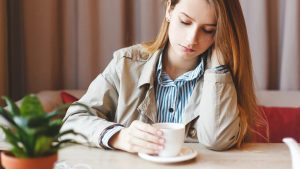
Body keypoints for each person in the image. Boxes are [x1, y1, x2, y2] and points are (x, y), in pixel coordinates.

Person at [61, 0, 265, 154]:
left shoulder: (222, 78)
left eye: (208, 30)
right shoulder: (125, 63)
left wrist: (218, 68)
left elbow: (217, 140)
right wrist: (119, 137)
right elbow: (73, 120)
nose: (192, 39)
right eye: (185, 22)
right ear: (169, 10)